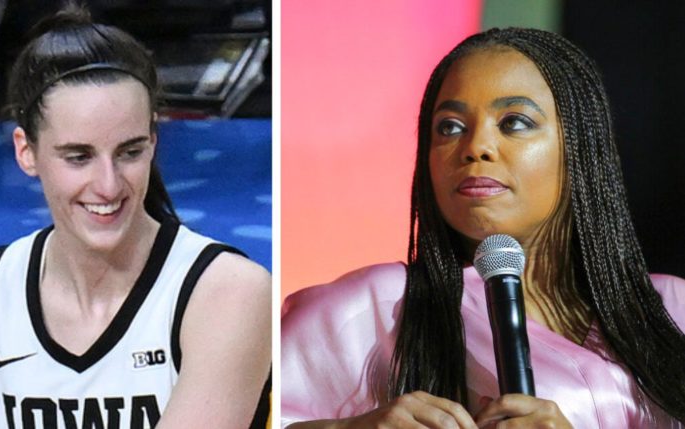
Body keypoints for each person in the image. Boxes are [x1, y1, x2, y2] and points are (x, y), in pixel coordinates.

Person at [281, 27, 685, 428]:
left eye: (515, 122)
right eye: (450, 127)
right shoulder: (376, 307)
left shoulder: (673, 308)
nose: (475, 146)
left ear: (580, 145)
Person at [0, 4, 271, 429]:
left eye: (130, 152)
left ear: (154, 142)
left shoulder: (226, 294)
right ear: (25, 151)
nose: (109, 184)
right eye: (79, 156)